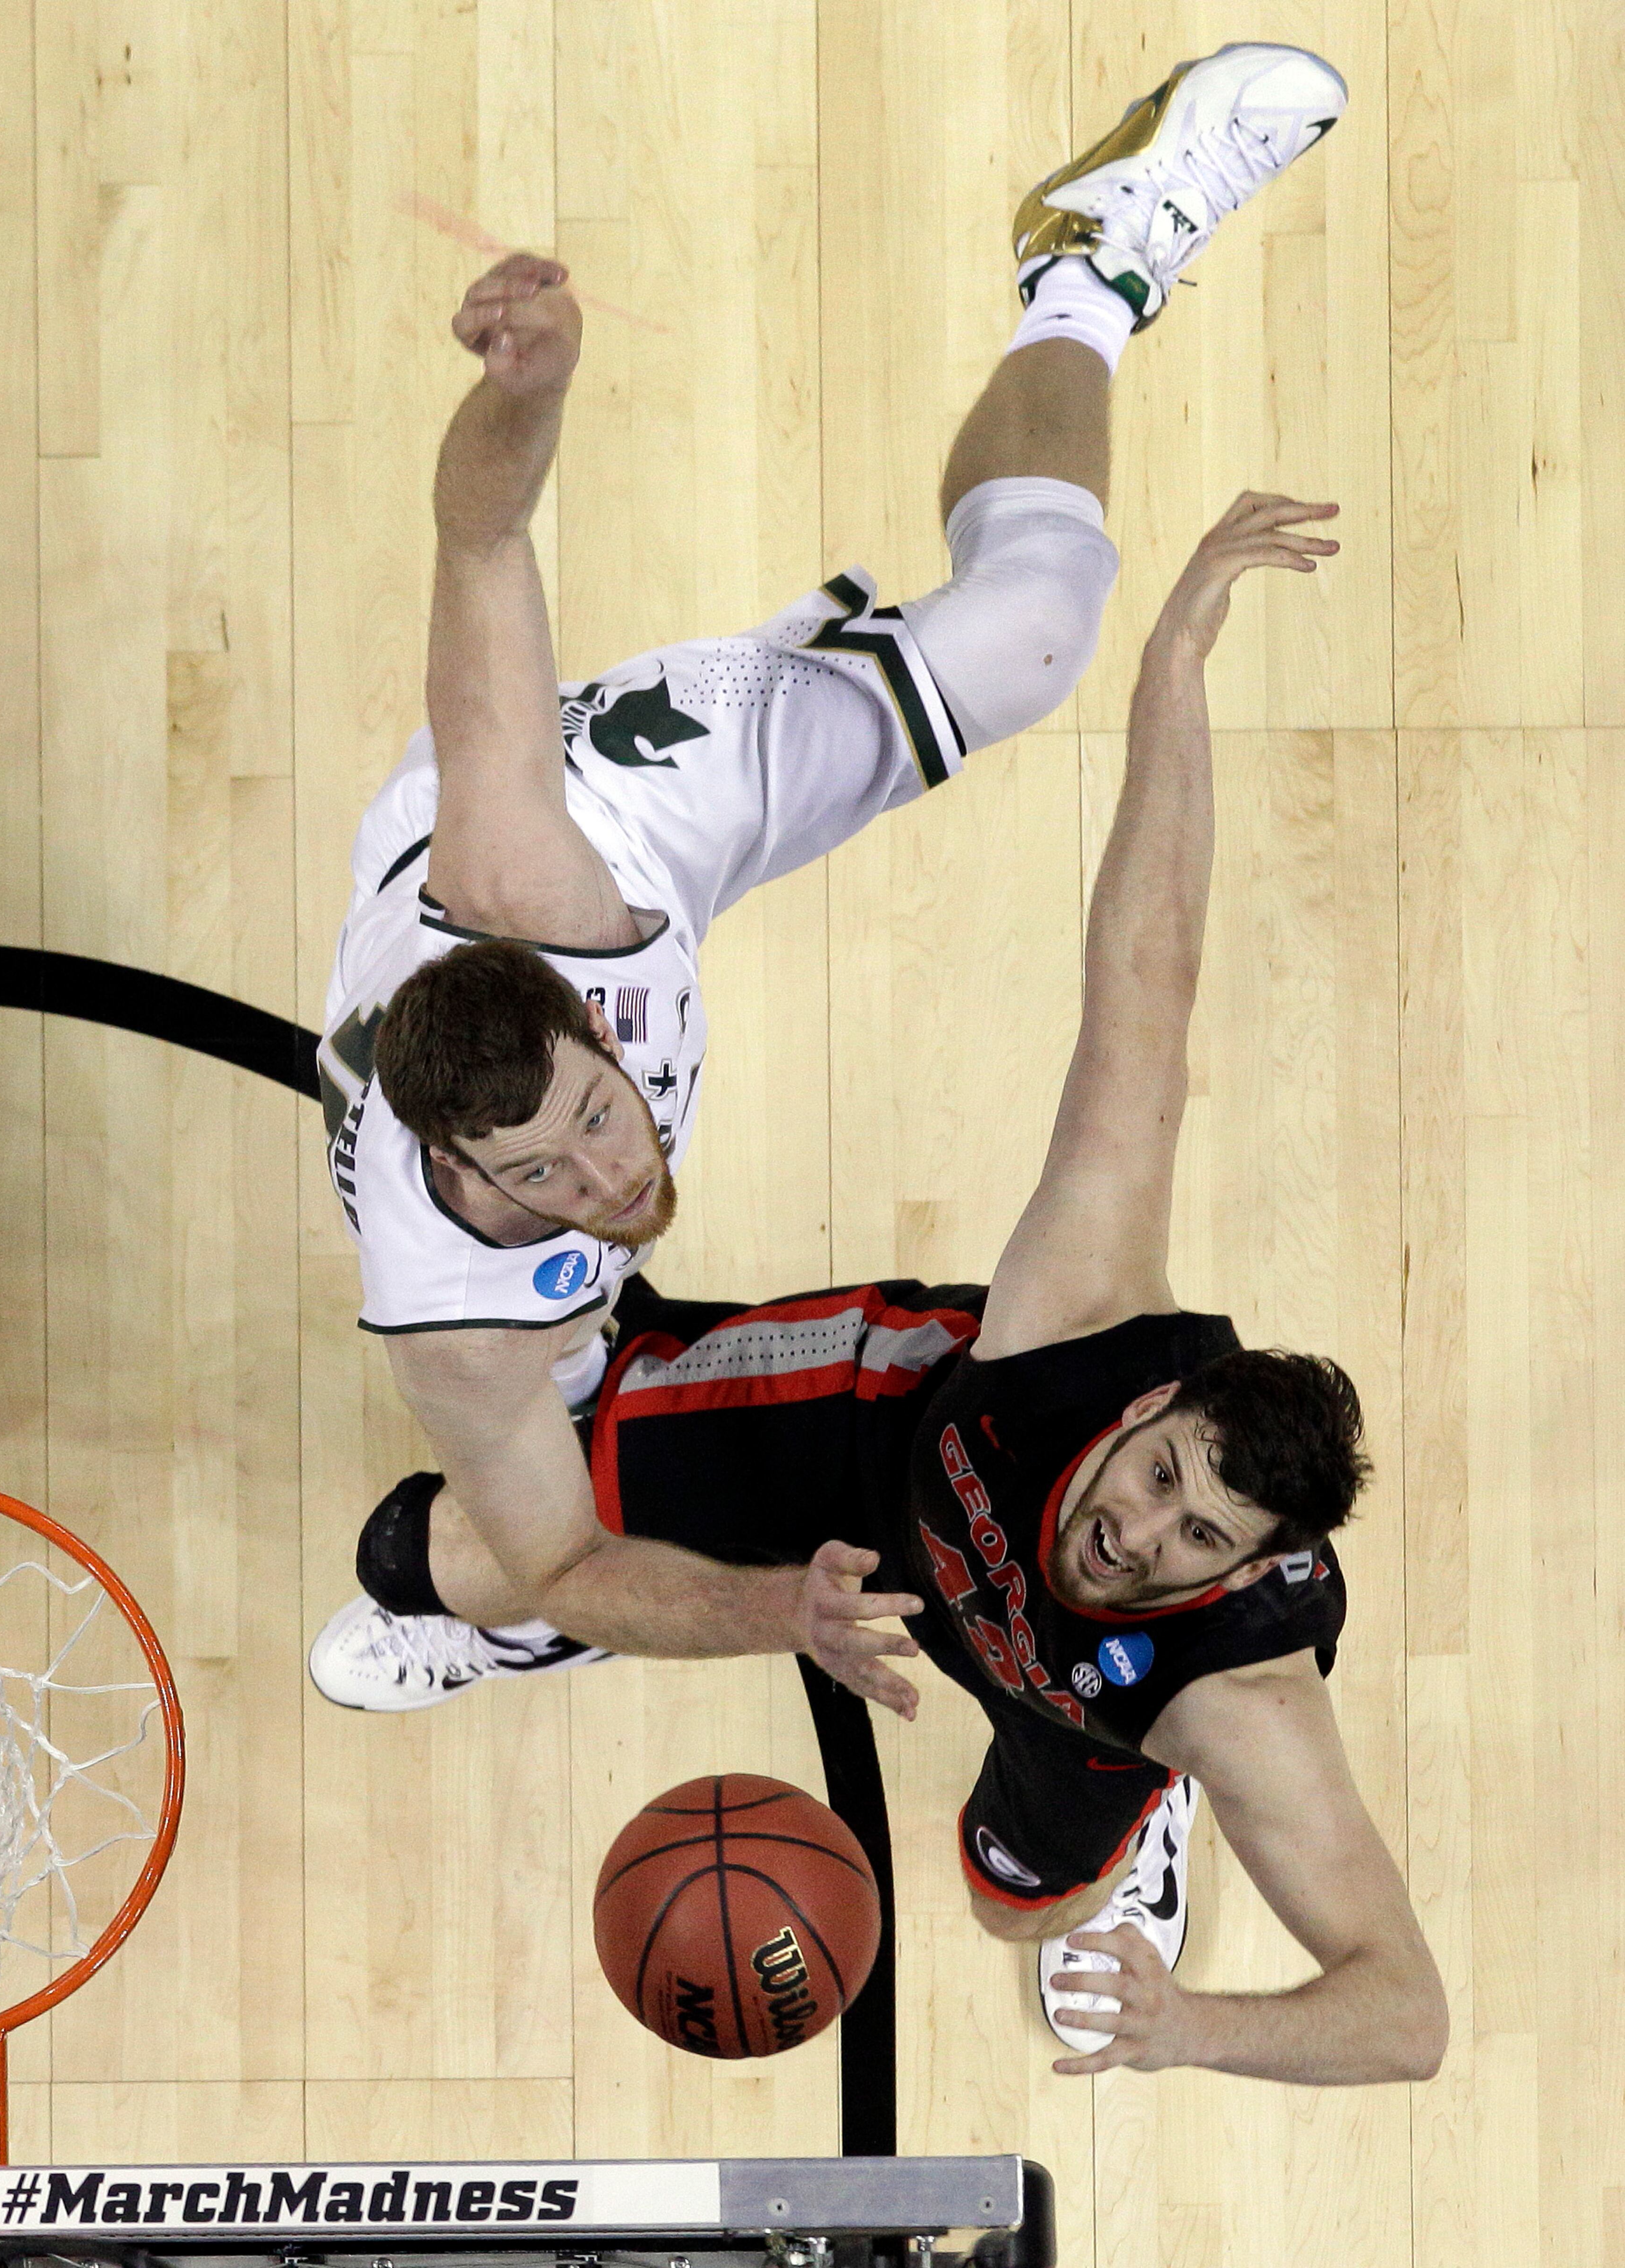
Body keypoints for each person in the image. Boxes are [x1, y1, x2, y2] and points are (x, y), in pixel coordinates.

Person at [326, 490, 1449, 2088]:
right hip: (866, 1444)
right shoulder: (1084, 1318)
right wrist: (1173, 671)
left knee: (1013, 1907)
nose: (1138, 1530)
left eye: (1203, 1538)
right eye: (1157, 1476)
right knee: (428, 1548)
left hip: (1069, 1709)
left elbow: (1407, 2019)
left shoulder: (1233, 1698)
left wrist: (1194, 2027)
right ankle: (559, 1623)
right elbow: (1148, 977)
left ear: (1259, 1564)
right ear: (1146, 1405)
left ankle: (1138, 1828)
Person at [309, 45, 1350, 1711]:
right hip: (516, 1314)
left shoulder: (537, 882)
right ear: (463, 1167)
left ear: (588, 1019)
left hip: (635, 814)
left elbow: (482, 542)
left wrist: (531, 391)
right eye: (557, 1168)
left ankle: (1089, 265)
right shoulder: (459, 1319)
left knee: (1030, 633)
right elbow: (574, 1555)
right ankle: (479, 1633)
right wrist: (768, 1613)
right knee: (509, 1528)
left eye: (600, 1107)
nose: (612, 1162)